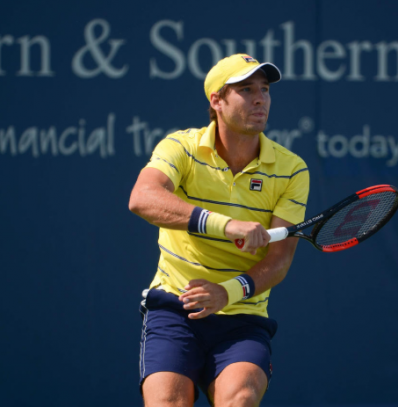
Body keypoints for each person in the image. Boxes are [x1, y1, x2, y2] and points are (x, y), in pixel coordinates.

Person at [128, 53, 310, 407]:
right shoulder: (180, 146)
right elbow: (142, 198)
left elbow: (279, 261)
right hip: (174, 307)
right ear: (217, 101)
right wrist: (225, 226)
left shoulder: (292, 169)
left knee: (239, 400)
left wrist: (227, 292)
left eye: (265, 89)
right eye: (246, 89)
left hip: (242, 315)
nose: (260, 98)